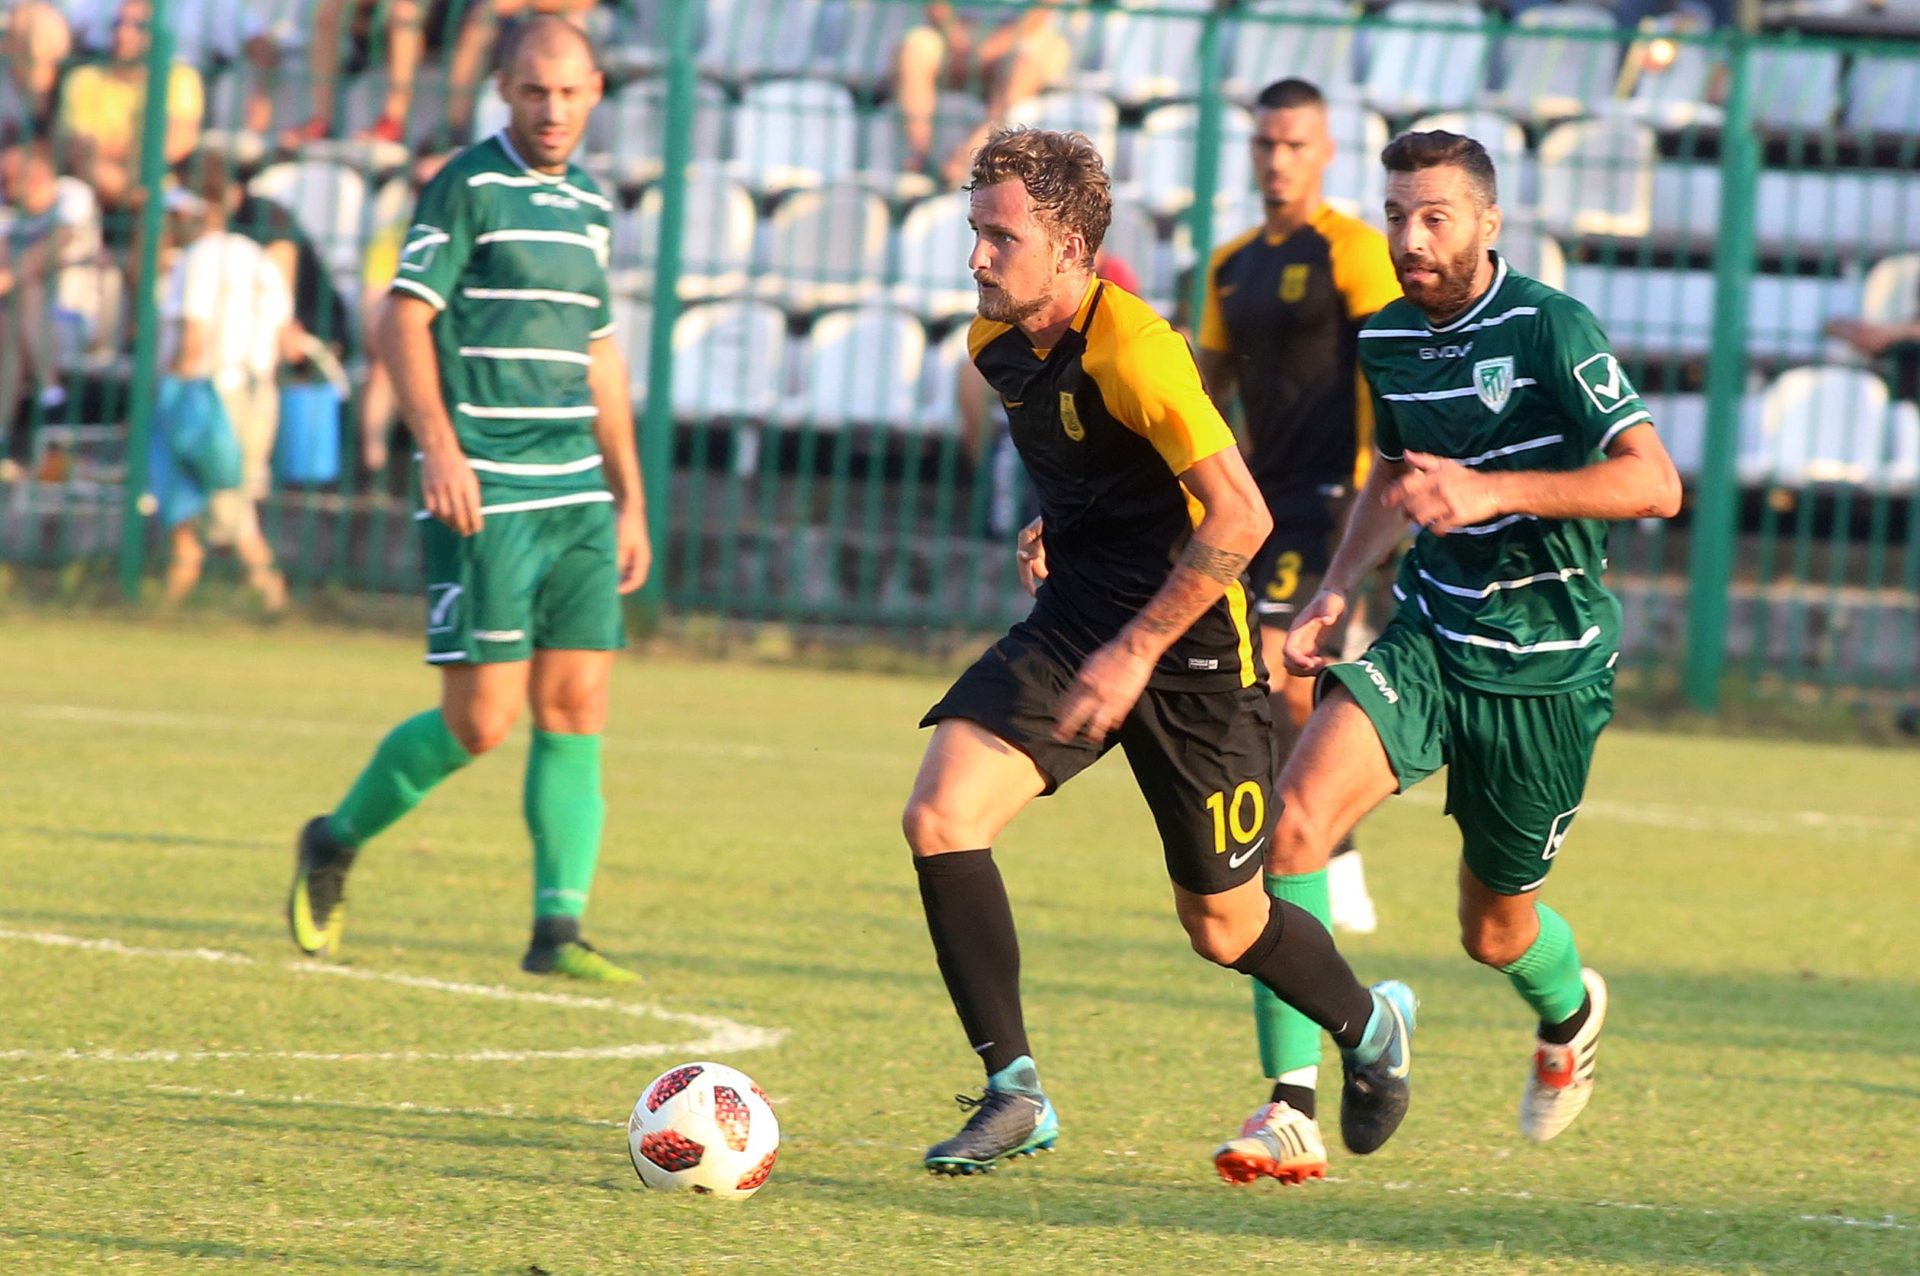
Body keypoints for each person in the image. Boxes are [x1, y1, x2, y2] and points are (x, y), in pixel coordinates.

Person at [902, 125, 1416, 1177]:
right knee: (941, 815)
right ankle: (1015, 1091)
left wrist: (1137, 650)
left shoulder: (1137, 348)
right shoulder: (997, 342)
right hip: (1076, 624)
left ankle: (1372, 1028)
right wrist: (1057, 521)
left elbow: (1241, 517)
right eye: (975, 232)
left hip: (1192, 656)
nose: (977, 258)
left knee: (1224, 926)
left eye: (1000, 237)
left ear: (1071, 246)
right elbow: (1102, 466)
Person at [1213, 129, 1681, 1183]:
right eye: (1396, 216)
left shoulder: (1550, 326)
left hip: (1547, 668)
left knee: (1494, 932)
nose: (1411, 239)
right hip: (1430, 631)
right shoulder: (1387, 337)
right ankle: (1292, 1105)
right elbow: (1393, 481)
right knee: (1292, 824)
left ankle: (1571, 1013)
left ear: (1487, 222)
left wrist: (1491, 490)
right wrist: (1338, 588)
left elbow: (1654, 483)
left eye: (1435, 217)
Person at [285, 16, 652, 982]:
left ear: (596, 91)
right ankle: (333, 839)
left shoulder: (592, 204)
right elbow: (400, 317)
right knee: (481, 721)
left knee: (577, 704)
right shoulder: (467, 184)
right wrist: (439, 448)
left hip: (576, 493)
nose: (552, 110)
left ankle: (556, 930)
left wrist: (631, 499)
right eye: (534, 92)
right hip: (484, 490)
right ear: (503, 90)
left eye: (569, 92)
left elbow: (600, 354)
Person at [1198, 77, 1403, 948]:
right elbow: (1203, 392)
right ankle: (1307, 857)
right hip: (1259, 502)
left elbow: (1393, 371)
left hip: (1338, 499)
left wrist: (1385, 489)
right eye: (1265, 144)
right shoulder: (1231, 265)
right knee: (1250, 686)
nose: (1277, 160)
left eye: (1294, 145)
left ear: (1325, 153)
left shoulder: (1353, 252)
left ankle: (1329, 861)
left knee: (1291, 681)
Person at [152, 167, 293, 610]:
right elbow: (285, 337)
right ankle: (176, 593)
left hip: (209, 393)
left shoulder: (198, 259)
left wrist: (170, 395)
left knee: (225, 505)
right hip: (257, 391)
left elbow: (194, 337)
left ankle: (271, 599)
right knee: (222, 500)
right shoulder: (256, 257)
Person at [894, 2, 1071, 188]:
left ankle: (970, 159)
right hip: (958, 35)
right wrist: (958, 40)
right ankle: (922, 158)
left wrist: (991, 48)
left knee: (1024, 64)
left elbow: (1041, 11)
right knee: (914, 49)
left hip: (1022, 36)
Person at [55, 0, 203, 220]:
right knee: (96, 173)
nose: (123, 34)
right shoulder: (83, 79)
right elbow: (80, 149)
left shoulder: (180, 77)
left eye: (137, 26)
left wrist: (113, 151)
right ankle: (145, 205)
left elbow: (177, 142)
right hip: (106, 191)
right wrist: (139, 153)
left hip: (156, 183)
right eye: (118, 24)